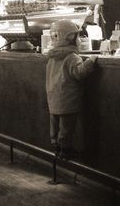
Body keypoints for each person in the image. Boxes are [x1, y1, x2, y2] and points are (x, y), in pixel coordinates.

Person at [46, 19, 97, 159]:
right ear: (69, 38)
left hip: (53, 98)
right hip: (68, 99)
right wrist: (90, 61)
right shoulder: (72, 57)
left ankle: (55, 146)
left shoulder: (52, 57)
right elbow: (79, 73)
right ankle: (65, 150)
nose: (78, 39)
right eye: (76, 36)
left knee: (55, 126)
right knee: (67, 127)